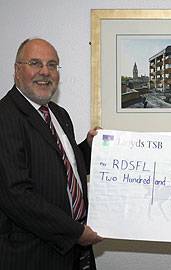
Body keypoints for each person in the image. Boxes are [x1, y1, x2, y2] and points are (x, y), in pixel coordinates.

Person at [0, 38, 103, 270]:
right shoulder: (5, 117)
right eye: (35, 63)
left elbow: (64, 167)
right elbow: (16, 195)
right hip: (32, 255)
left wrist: (88, 148)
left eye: (52, 65)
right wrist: (75, 232)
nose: (45, 72)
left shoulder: (59, 114)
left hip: (71, 252)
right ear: (17, 70)